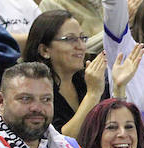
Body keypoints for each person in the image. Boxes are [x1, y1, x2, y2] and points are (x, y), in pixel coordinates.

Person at [21, 11, 107, 139]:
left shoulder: (85, 80)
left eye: (82, 38)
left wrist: (118, 86)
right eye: (70, 39)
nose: (81, 46)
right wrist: (93, 94)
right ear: (45, 50)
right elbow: (62, 144)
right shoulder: (32, 91)